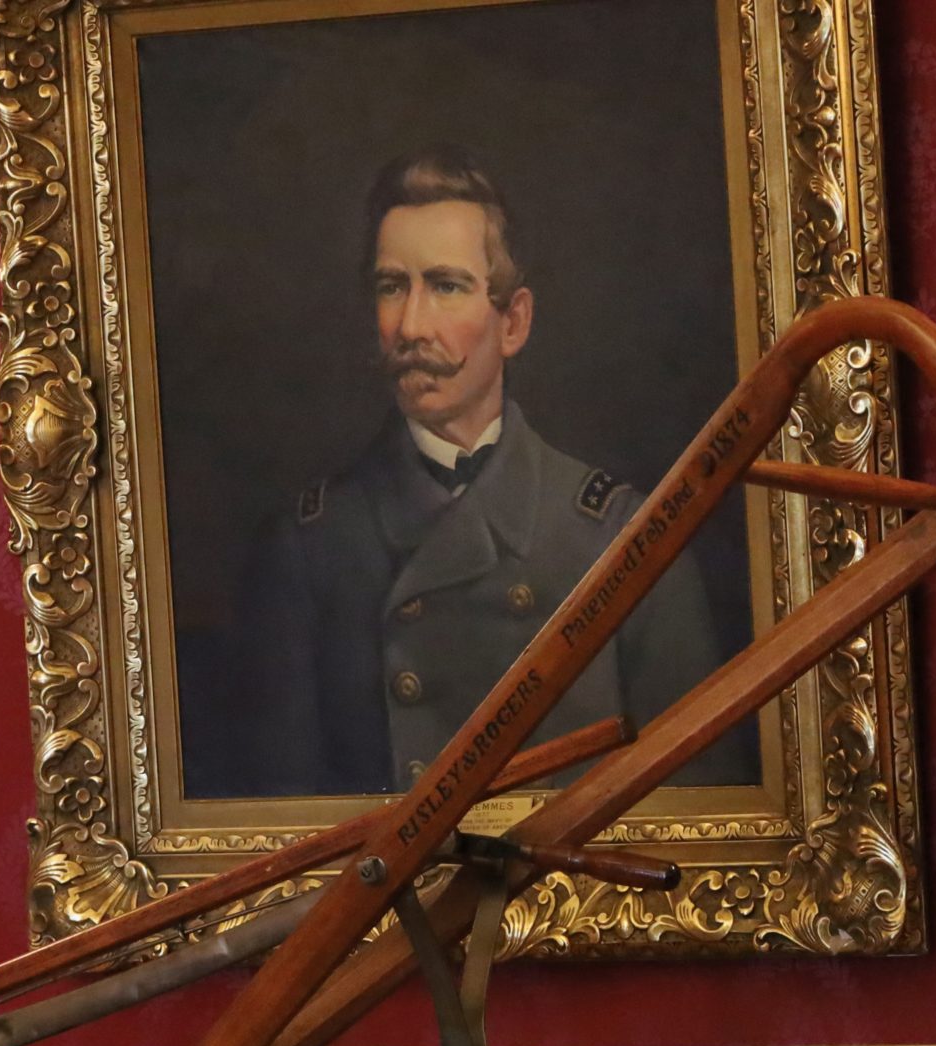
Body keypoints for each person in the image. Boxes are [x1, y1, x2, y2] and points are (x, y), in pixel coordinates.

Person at [228, 144, 747, 797]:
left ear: (514, 323)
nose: (411, 325)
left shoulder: (628, 538)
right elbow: (275, 826)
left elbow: (697, 815)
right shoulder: (305, 549)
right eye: (392, 287)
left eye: (446, 286)